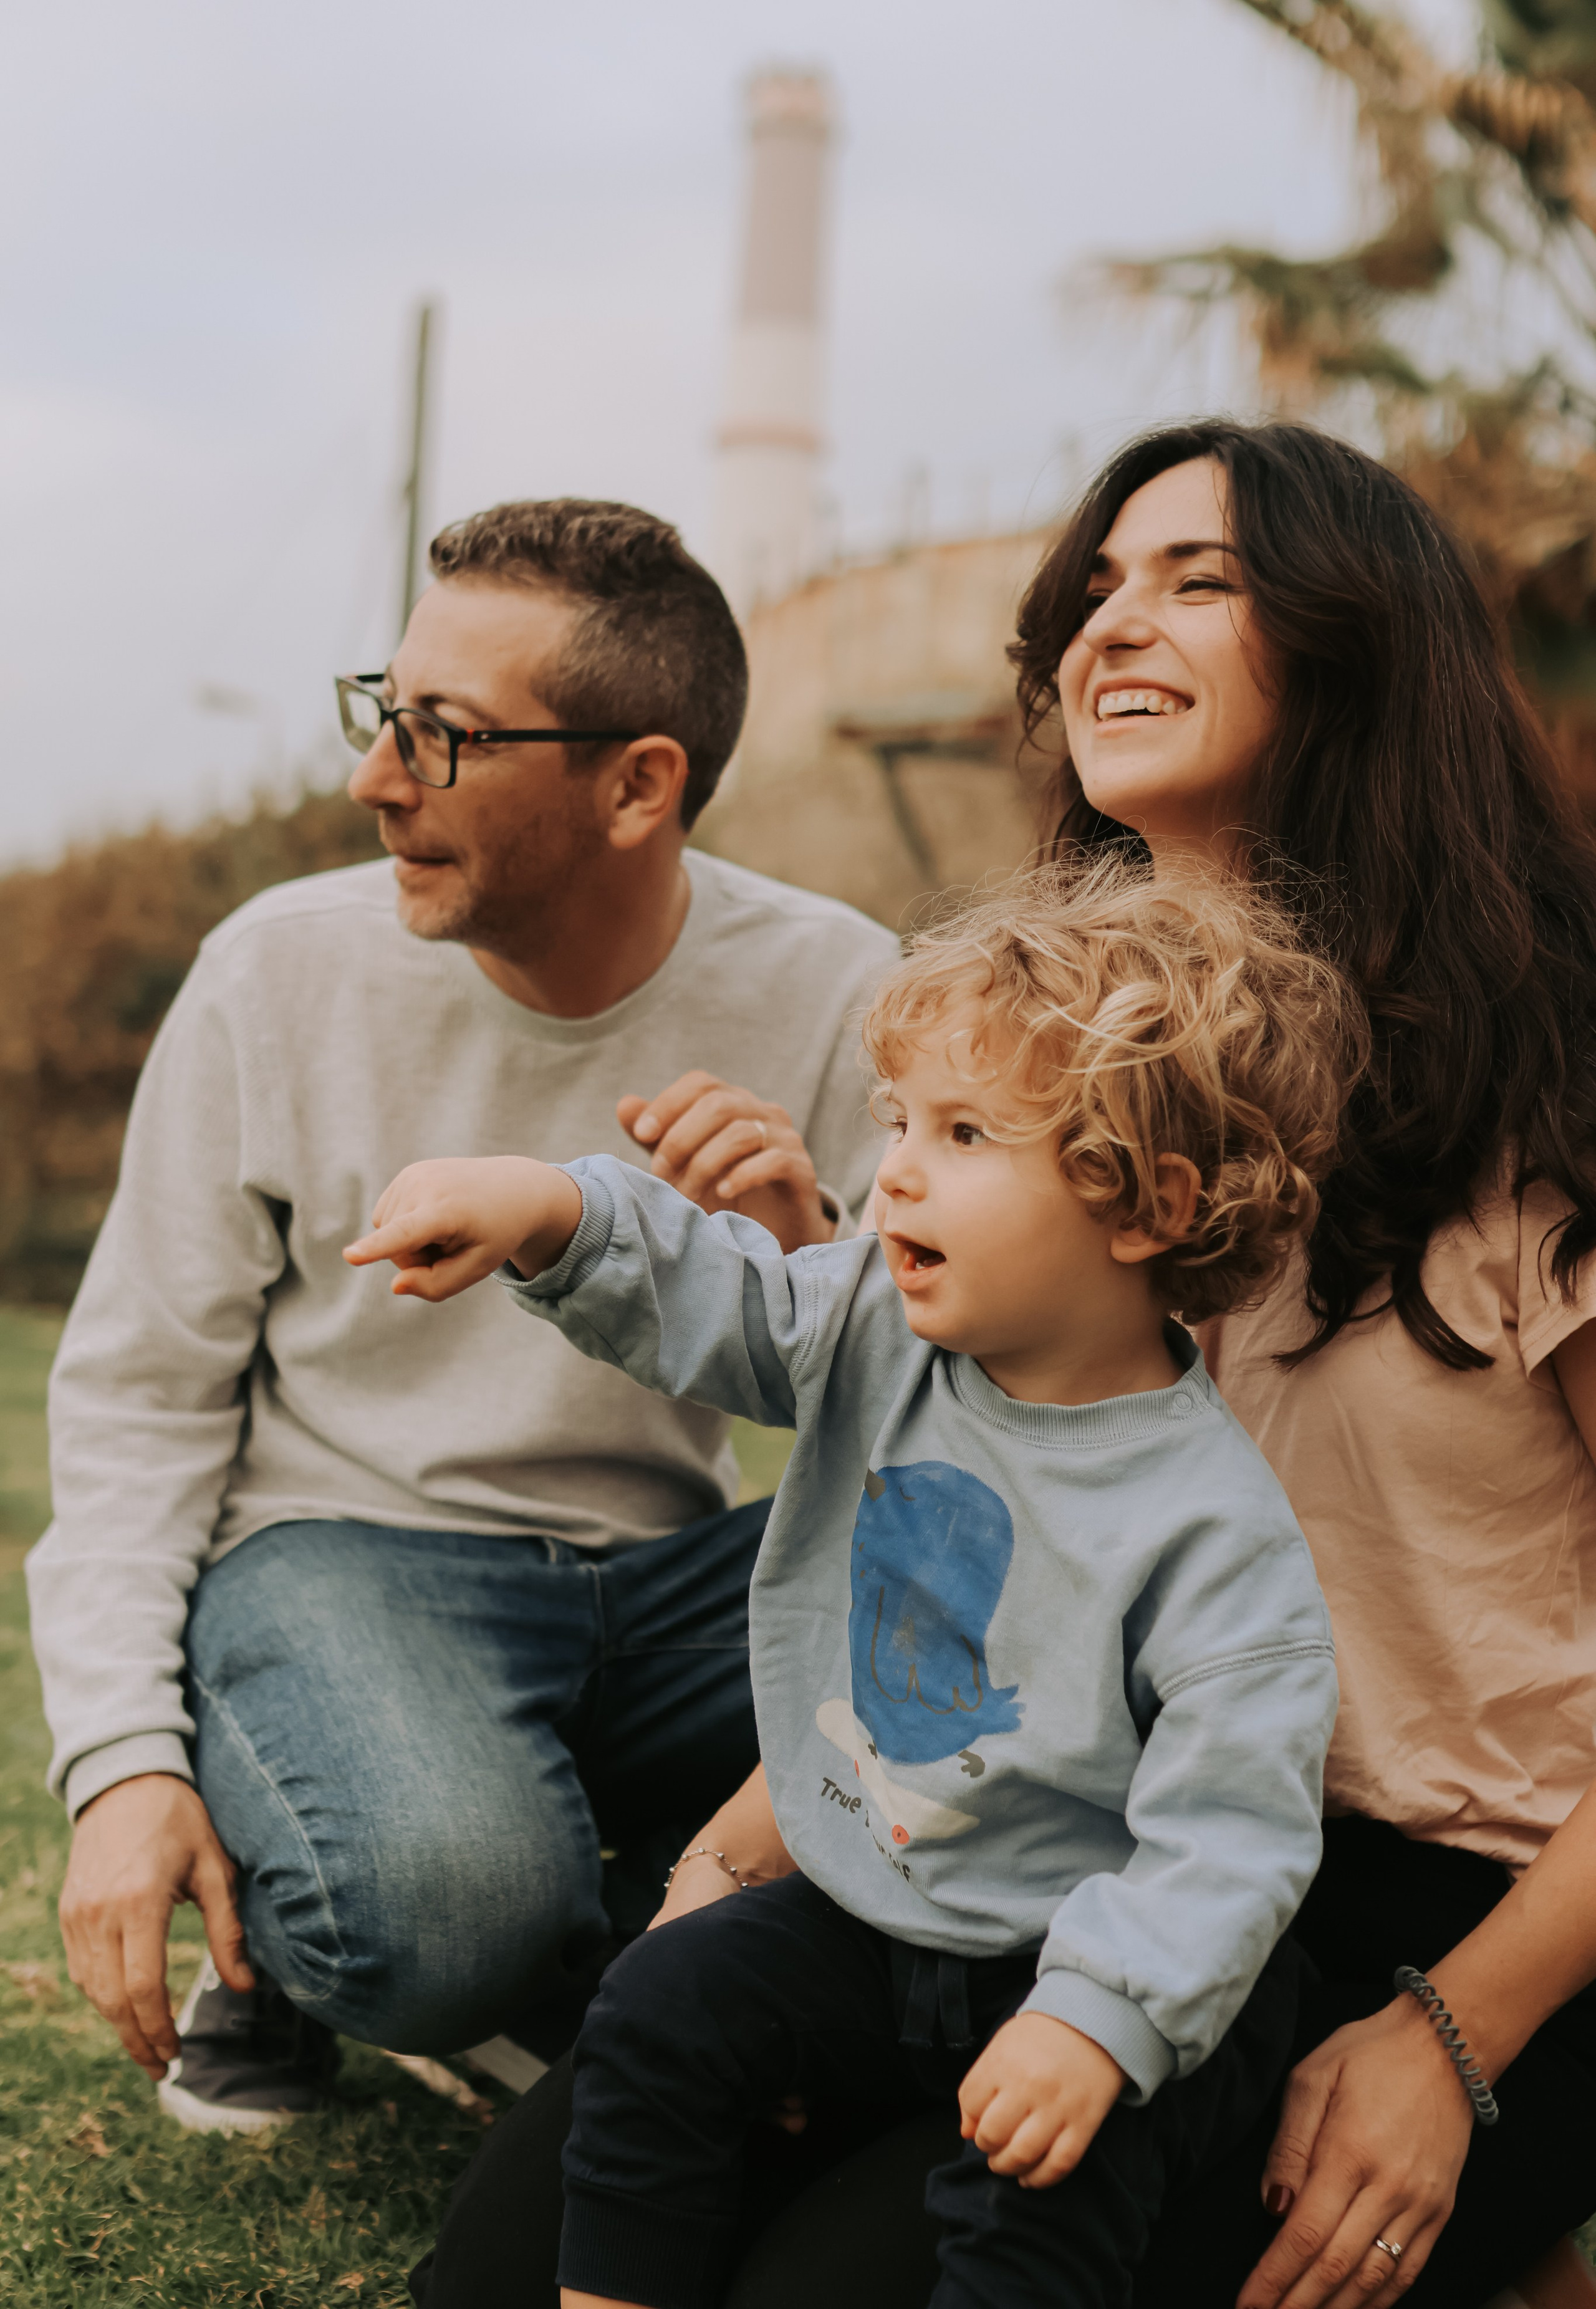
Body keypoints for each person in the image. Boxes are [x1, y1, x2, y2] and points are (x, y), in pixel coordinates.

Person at [417, 425, 1596, 2309]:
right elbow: (983, 1499)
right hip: (1057, 1829)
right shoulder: (1054, 1055)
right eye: (1096, 590)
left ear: (1371, 643)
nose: (1112, 626)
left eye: (1201, 579)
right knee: (508, 2270)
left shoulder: (1555, 1088)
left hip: (1461, 1898)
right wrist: (758, 1839)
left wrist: (1450, 2043)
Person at [355, 856, 1363, 2309]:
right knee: (657, 2007)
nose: (893, 1166)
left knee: (1036, 2199)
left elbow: (1228, 1837)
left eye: (963, 1133)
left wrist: (1093, 2021)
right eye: (898, 1118)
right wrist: (547, 1209)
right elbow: (723, 1289)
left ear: (1146, 1205)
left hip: (1075, 1958)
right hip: (871, 1912)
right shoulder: (872, 1327)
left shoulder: (1216, 1538)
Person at [28, 496, 898, 2132]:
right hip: (349, 1558)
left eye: (445, 737)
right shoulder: (274, 971)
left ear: (639, 783)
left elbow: (960, 1391)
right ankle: (326, 1902)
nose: (376, 778)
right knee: (442, 1909)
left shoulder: (842, 987)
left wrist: (807, 1237)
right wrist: (127, 1767)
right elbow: (143, 1399)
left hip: (674, 1581)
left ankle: (592, 1910)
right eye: (386, 712)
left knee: (1015, 1595)